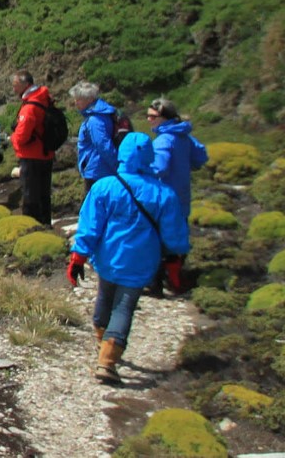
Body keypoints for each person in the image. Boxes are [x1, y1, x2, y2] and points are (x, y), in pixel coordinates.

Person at [66, 133, 190, 384]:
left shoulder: (105, 187)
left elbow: (90, 226)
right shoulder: (163, 194)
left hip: (109, 257)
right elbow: (173, 232)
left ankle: (103, 340)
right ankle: (108, 359)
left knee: (105, 297)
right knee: (124, 306)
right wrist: (175, 259)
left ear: (122, 155)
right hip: (141, 261)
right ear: (149, 157)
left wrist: (78, 256)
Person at [144, 98, 209, 227]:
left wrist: (140, 170)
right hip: (183, 198)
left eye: (153, 116)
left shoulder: (162, 141)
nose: (148, 119)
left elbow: (159, 169)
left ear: (165, 118)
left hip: (165, 200)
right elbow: (201, 157)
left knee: (165, 243)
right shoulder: (184, 136)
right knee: (181, 240)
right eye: (147, 115)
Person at [8, 70, 58, 226]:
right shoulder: (44, 99)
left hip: (32, 156)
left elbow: (22, 136)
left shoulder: (30, 107)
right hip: (46, 153)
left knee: (30, 196)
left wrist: (13, 140)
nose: (14, 89)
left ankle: (32, 227)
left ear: (25, 84)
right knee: (44, 194)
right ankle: (46, 224)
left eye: (15, 85)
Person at [72, 81, 121, 185]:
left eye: (79, 99)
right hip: (101, 169)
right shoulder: (102, 113)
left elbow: (103, 145)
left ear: (89, 99)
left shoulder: (94, 120)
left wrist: (117, 167)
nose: (75, 102)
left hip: (97, 171)